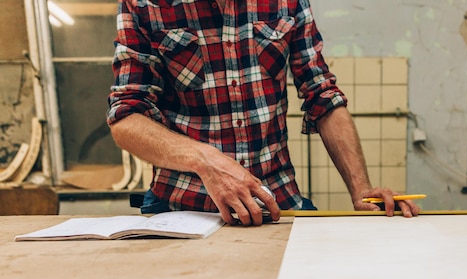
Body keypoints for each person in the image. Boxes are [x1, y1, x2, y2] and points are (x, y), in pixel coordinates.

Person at [107, 0, 419, 226]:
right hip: (182, 209)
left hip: (277, 202)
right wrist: (206, 162)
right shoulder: (143, 5)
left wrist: (362, 189)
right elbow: (126, 117)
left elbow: (322, 95)